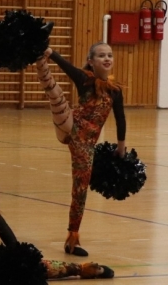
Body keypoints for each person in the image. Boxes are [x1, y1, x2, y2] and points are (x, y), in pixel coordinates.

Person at [34, 44, 127, 257]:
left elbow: (120, 119)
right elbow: (67, 67)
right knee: (55, 95)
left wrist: (121, 146)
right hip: (71, 126)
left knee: (80, 190)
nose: (107, 58)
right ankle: (39, 60)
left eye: (109, 55)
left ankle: (72, 238)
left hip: (86, 144)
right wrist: (50, 53)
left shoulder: (115, 91)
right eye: (101, 55)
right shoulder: (85, 79)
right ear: (91, 61)